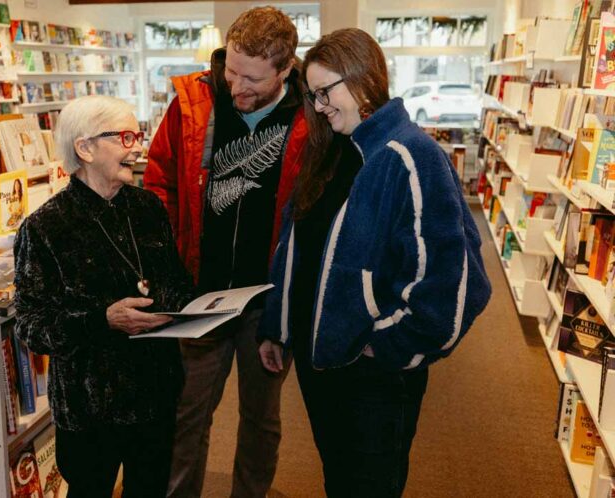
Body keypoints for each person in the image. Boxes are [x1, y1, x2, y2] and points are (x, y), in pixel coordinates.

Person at [257, 29, 492, 497]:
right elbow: (296, 246)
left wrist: (382, 349)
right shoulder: (328, 151)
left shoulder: (413, 155)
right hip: (318, 360)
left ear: (363, 81)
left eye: (325, 92)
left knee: (369, 487)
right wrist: (278, 326)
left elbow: (458, 283)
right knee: (339, 481)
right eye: (313, 95)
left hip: (374, 376)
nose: (319, 106)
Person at [144, 7, 308, 498]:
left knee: (261, 419)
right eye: (231, 70)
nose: (237, 86)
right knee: (185, 414)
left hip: (268, 302)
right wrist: (166, 267)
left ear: (285, 71)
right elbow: (159, 184)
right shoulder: (192, 103)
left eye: (253, 79)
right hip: (199, 292)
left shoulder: (310, 116)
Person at [14, 95, 195, 497]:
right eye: (126, 137)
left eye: (138, 135)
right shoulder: (46, 228)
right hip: (90, 406)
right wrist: (103, 320)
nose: (137, 147)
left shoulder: (148, 207)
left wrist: (185, 308)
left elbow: (177, 282)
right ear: (85, 148)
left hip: (155, 393)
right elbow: (32, 326)